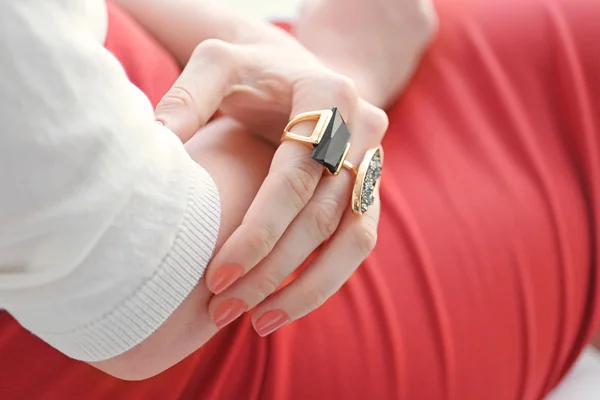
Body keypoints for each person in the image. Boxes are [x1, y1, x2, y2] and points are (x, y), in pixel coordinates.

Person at [0, 0, 599, 399]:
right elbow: (151, 294)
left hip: (250, 123)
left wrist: (270, 55)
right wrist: (347, 67)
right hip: (248, 334)